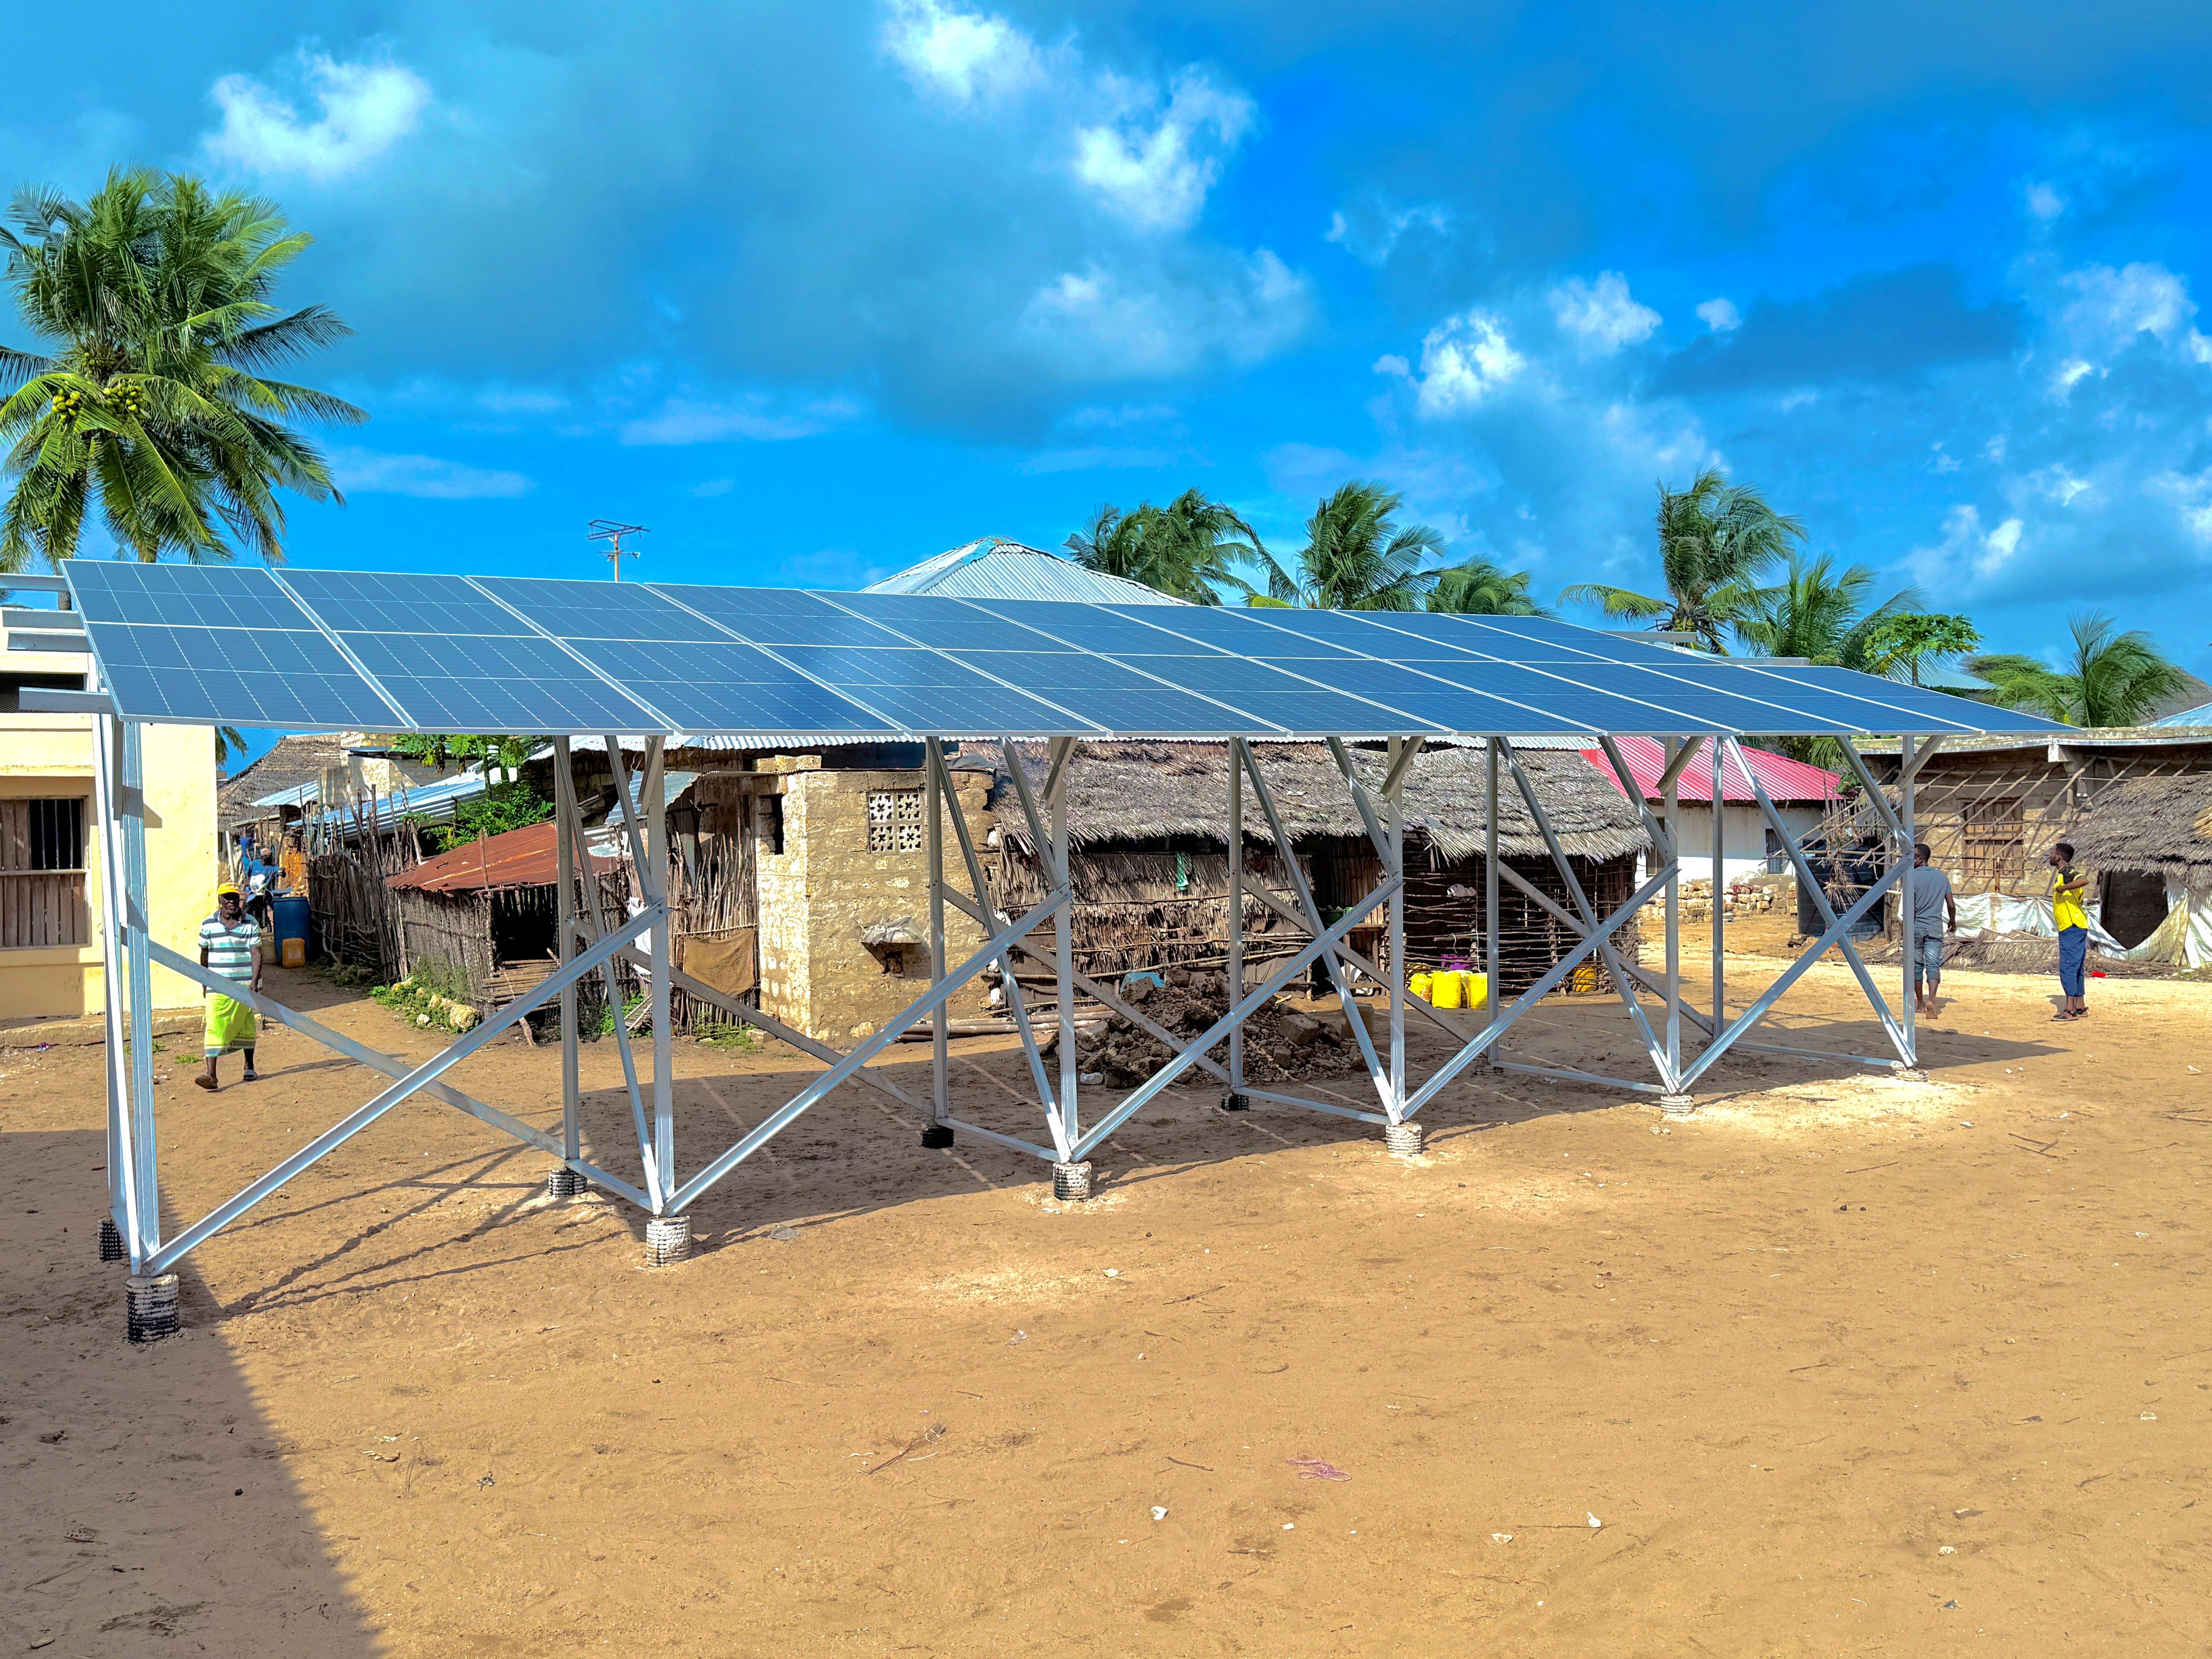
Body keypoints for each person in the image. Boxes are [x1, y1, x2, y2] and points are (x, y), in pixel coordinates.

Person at [197, 882, 264, 1090]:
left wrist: (254, 982)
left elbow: (256, 953)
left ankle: (249, 1067)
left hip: (244, 986)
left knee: (246, 1024)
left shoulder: (250, 923)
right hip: (217, 986)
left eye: (235, 898)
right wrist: (205, 981)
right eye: (227, 898)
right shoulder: (208, 925)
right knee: (214, 1025)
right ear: (220, 901)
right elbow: (204, 955)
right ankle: (212, 1076)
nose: (231, 902)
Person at [1906, 841, 1957, 1016]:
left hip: (1916, 928)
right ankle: (1932, 1001)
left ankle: (1920, 1004)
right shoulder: (1942, 878)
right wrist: (1952, 921)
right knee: (1934, 964)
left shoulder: (1910, 878)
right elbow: (1951, 904)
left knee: (1916, 965)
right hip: (1935, 927)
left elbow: (1908, 907)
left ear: (1921, 859)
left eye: (1912, 857)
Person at [2047, 841, 2092, 1021]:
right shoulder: (2063, 873)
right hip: (2077, 925)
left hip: (2072, 926)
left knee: (2068, 967)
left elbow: (2084, 880)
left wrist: (2063, 888)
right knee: (2077, 967)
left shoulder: (2068, 872)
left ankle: (2070, 1010)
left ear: (2059, 857)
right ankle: (2080, 1007)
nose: (2051, 856)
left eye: (2053, 853)